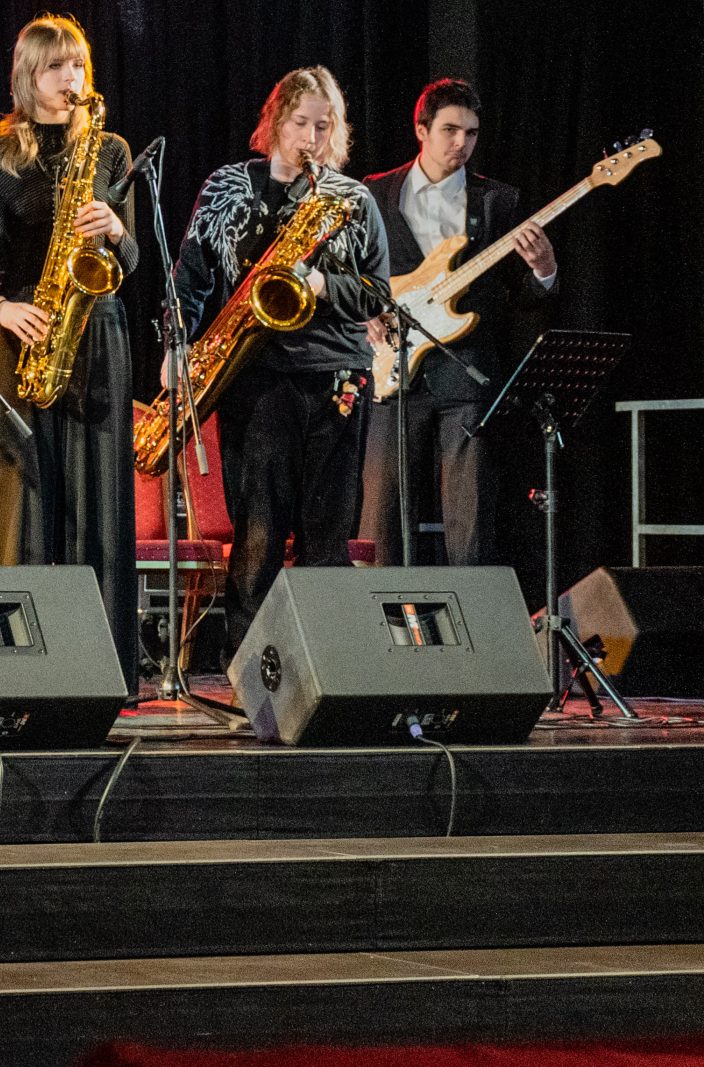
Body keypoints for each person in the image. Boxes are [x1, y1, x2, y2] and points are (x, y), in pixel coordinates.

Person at [167, 66, 391, 660]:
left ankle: (327, 664)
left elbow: (376, 293)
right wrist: (176, 346)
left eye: (323, 126)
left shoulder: (352, 199)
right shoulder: (226, 187)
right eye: (299, 123)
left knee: (328, 533)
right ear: (273, 123)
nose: (310, 138)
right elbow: (189, 279)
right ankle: (250, 666)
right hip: (254, 375)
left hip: (338, 375)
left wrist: (321, 284)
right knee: (258, 531)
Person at [0, 15, 141, 692]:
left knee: (100, 501)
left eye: (78, 65)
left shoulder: (110, 149)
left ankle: (105, 669)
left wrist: (115, 229)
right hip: (22, 330)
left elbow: (132, 261)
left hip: (96, 328)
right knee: (22, 499)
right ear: (27, 76)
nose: (71, 78)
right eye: (56, 66)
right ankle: (21, 668)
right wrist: (1, 307)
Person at [358, 78, 556, 567]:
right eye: (449, 130)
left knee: (471, 522)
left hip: (465, 370)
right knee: (380, 519)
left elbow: (521, 296)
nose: (461, 143)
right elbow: (352, 272)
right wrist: (363, 313)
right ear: (421, 129)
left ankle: (471, 613)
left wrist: (544, 270)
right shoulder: (373, 193)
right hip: (391, 371)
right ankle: (380, 614)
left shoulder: (497, 201)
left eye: (471, 133)